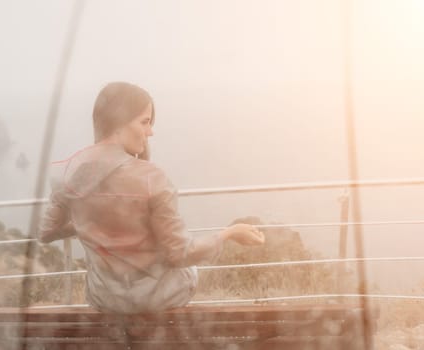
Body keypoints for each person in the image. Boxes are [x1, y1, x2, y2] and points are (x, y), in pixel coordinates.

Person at [38, 82, 264, 314]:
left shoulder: (69, 175)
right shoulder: (152, 178)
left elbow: (47, 232)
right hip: (155, 301)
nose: (150, 132)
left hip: (105, 299)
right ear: (119, 122)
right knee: (190, 271)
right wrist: (229, 233)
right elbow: (180, 254)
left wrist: (89, 222)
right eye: (145, 122)